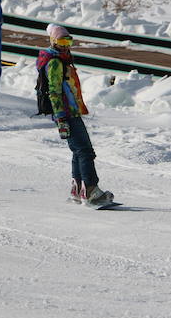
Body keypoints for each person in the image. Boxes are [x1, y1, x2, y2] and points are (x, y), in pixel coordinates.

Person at [36, 23, 114, 206]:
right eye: (61, 40)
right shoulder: (55, 62)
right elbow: (54, 91)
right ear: (53, 41)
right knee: (86, 151)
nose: (65, 44)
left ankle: (78, 189)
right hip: (66, 113)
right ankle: (92, 191)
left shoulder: (62, 59)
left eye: (68, 40)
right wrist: (61, 116)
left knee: (78, 151)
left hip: (70, 111)